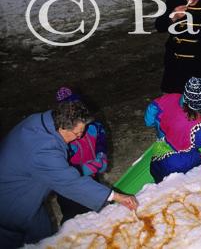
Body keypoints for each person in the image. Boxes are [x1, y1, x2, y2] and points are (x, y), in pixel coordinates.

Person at [0, 100, 137, 249]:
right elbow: (71, 182)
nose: (80, 137)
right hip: (10, 206)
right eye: (77, 133)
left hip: (29, 195)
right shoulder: (43, 151)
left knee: (44, 237)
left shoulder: (43, 121)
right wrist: (115, 196)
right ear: (63, 127)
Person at [145, 77, 201, 183]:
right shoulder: (198, 125)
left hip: (158, 156)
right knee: (187, 184)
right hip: (181, 165)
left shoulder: (169, 98)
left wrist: (153, 123)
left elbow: (152, 109)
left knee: (162, 185)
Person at [54, 87, 109, 223]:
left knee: (95, 208)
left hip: (91, 178)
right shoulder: (61, 136)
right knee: (73, 217)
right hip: (69, 188)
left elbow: (101, 141)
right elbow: (59, 166)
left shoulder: (94, 126)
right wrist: (84, 169)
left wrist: (101, 155)